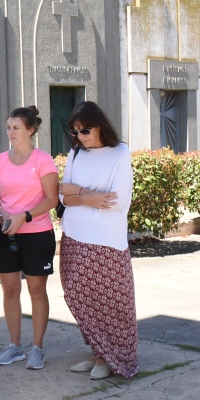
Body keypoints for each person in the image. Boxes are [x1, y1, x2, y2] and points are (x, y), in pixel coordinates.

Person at [58, 101, 137, 380]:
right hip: (74, 236)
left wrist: (79, 196)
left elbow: (117, 203)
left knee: (110, 303)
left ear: (99, 126)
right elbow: (62, 197)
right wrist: (89, 196)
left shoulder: (120, 153)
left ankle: (110, 358)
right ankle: (97, 354)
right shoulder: (76, 153)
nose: (81, 137)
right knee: (79, 297)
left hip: (106, 241)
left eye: (86, 131)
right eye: (76, 132)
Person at [0, 106, 59, 370]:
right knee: (9, 290)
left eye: (16, 127)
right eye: (8, 127)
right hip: (6, 234)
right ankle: (15, 347)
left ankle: (37, 348)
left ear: (30, 130)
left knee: (37, 291)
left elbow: (51, 199)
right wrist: (0, 211)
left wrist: (25, 216)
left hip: (37, 233)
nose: (11, 132)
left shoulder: (43, 160)